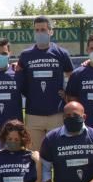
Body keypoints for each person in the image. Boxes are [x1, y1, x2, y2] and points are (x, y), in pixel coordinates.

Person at [18, 16, 74, 152]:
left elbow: (71, 75)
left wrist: (67, 93)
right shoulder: (25, 55)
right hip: (33, 115)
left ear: (51, 31)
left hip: (56, 114)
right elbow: (20, 77)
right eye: (37, 30)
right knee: (34, 155)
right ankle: (38, 175)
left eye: (43, 29)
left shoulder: (61, 53)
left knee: (58, 153)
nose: (40, 33)